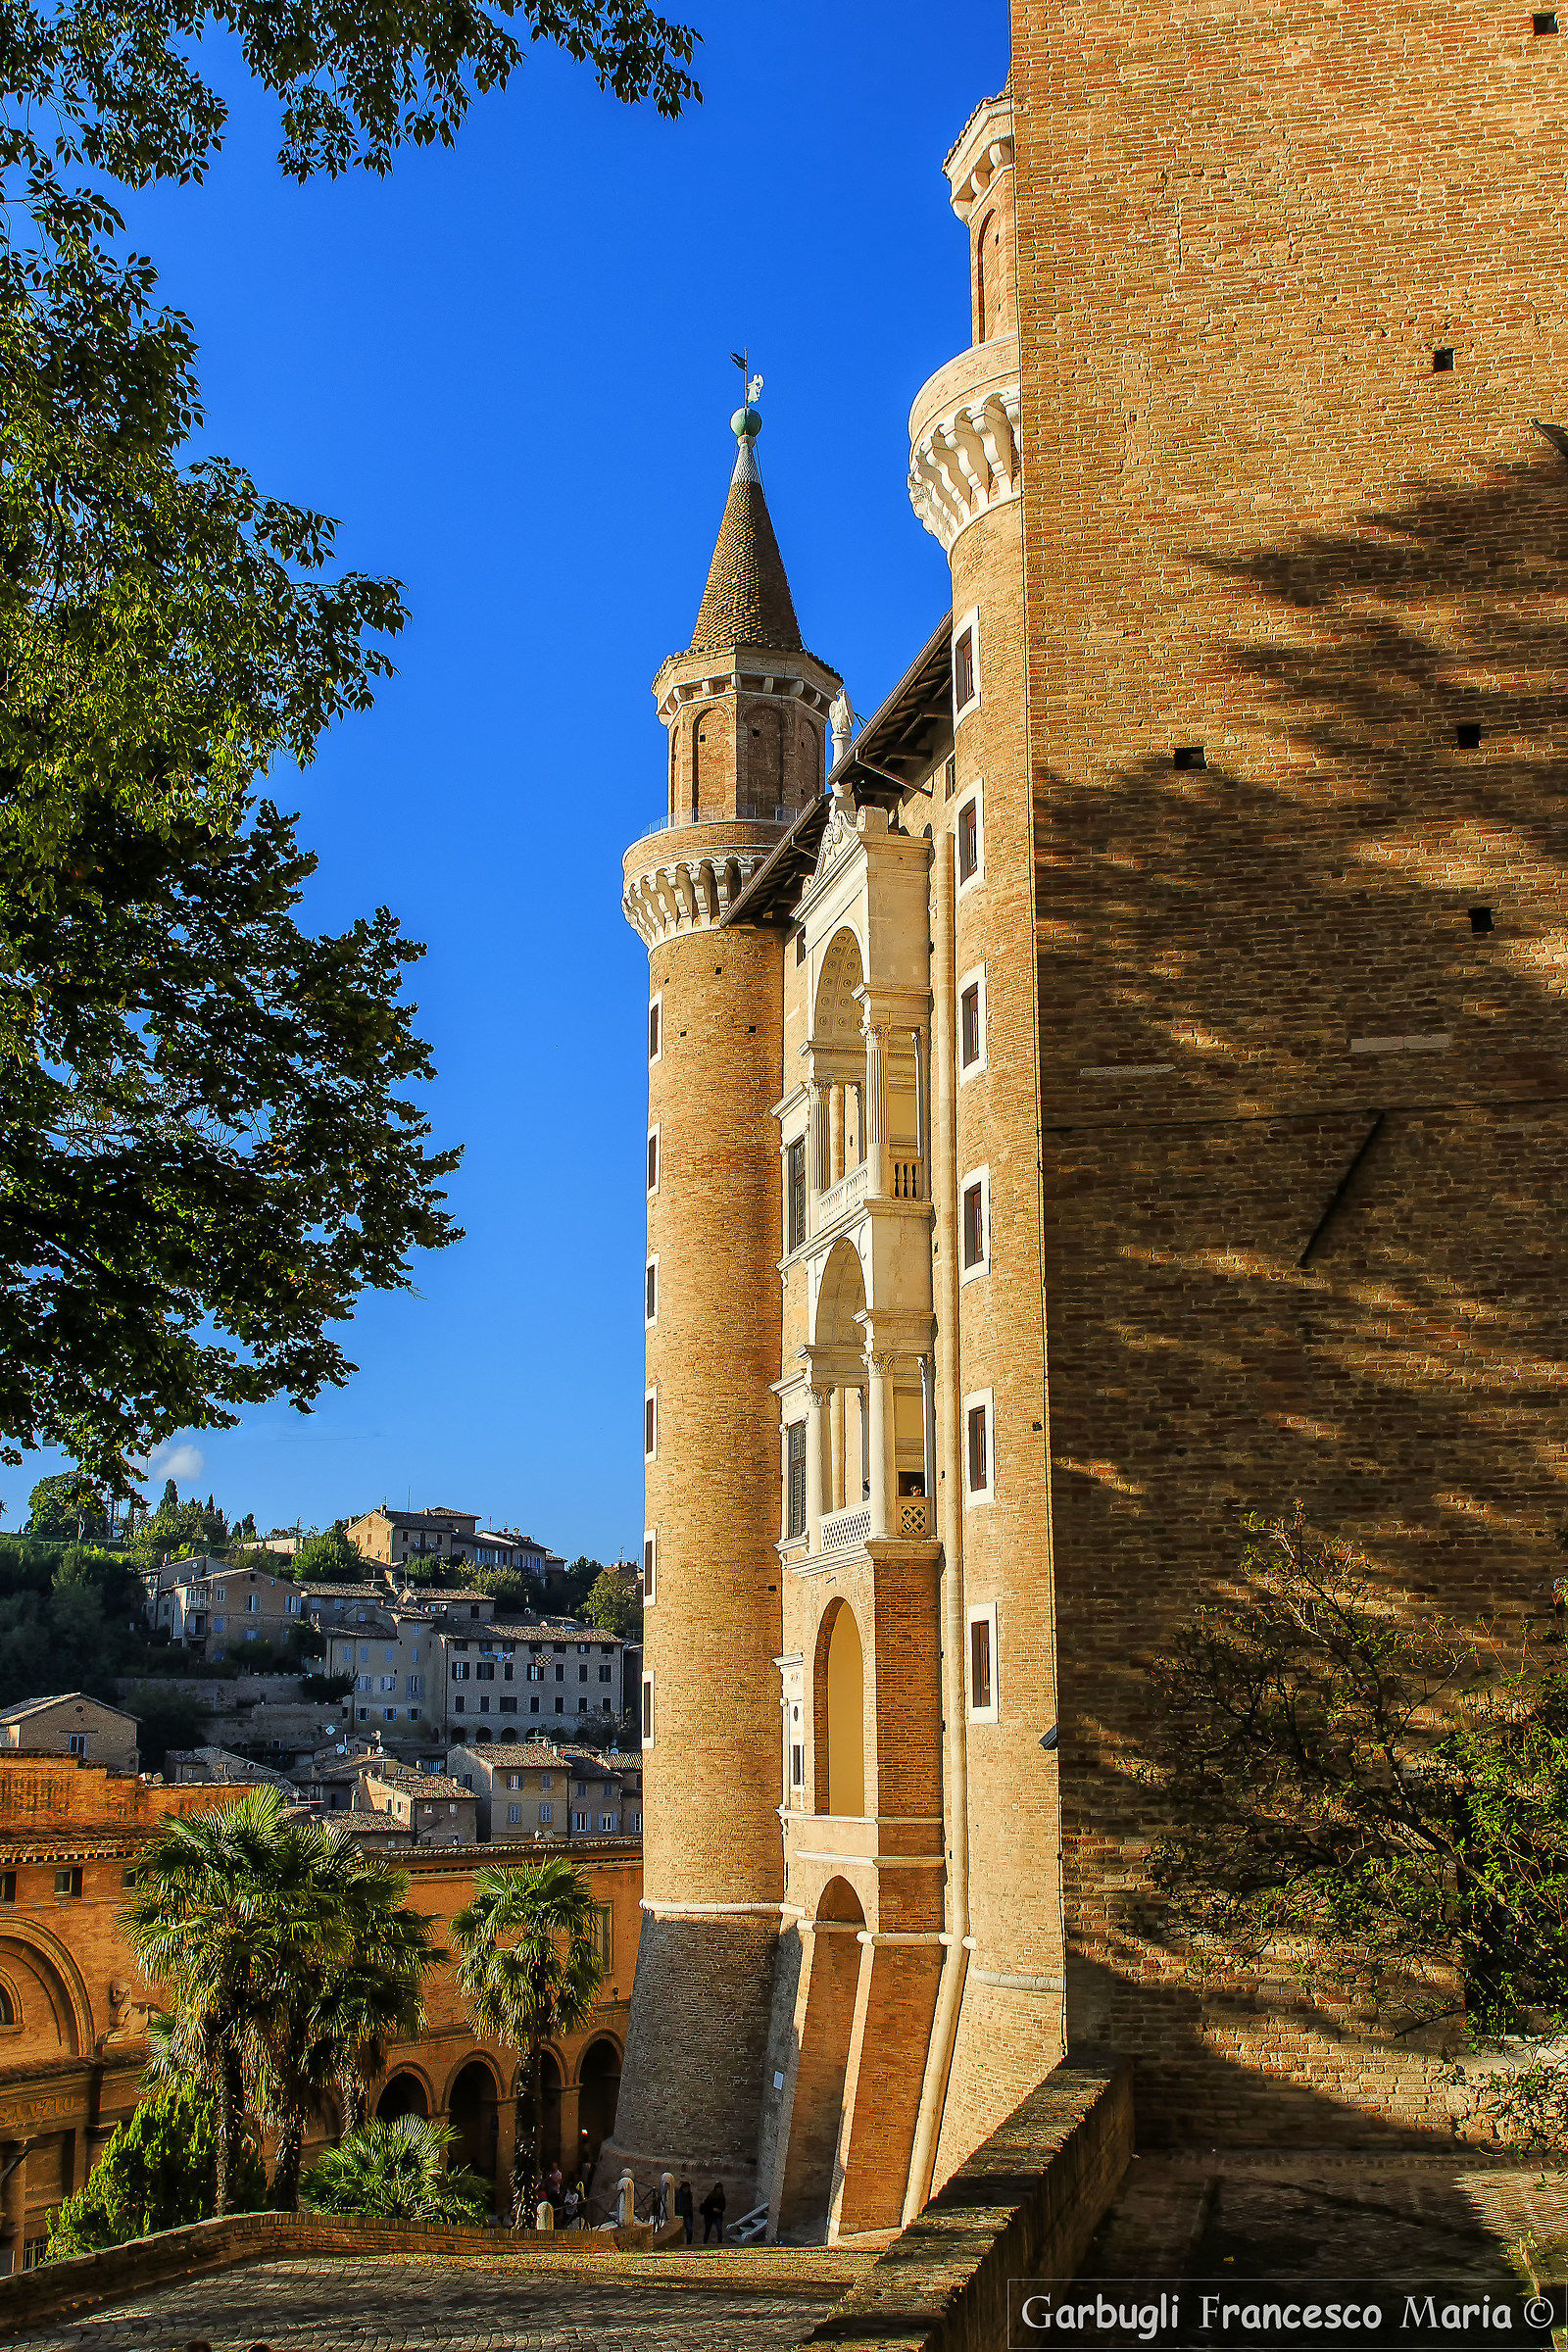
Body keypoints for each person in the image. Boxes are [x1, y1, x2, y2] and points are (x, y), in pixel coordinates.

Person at [699, 2181, 726, 2245]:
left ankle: (720, 2244)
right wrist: (713, 2209)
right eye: (718, 2189)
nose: (719, 2190)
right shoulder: (711, 2196)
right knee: (707, 2230)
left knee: (719, 2230)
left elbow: (723, 2206)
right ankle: (704, 2243)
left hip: (717, 2216)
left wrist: (720, 2210)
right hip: (709, 2216)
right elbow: (706, 2206)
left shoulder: (722, 2197)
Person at [675, 2178, 694, 2245]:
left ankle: (689, 2244)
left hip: (687, 2215)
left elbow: (690, 2206)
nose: (686, 2190)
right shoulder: (678, 2195)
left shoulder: (689, 2196)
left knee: (689, 2230)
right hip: (679, 2215)